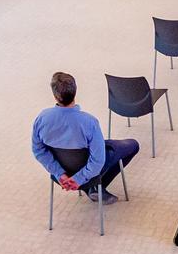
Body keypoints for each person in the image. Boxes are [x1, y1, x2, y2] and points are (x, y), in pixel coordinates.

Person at [30, 71, 139, 206]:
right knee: (133, 145)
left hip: (62, 170)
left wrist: (60, 173)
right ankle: (93, 187)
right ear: (75, 91)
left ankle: (92, 187)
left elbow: (38, 151)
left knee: (105, 145)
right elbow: (98, 161)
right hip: (87, 169)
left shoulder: (42, 119)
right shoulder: (89, 122)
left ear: (55, 96)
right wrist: (78, 179)